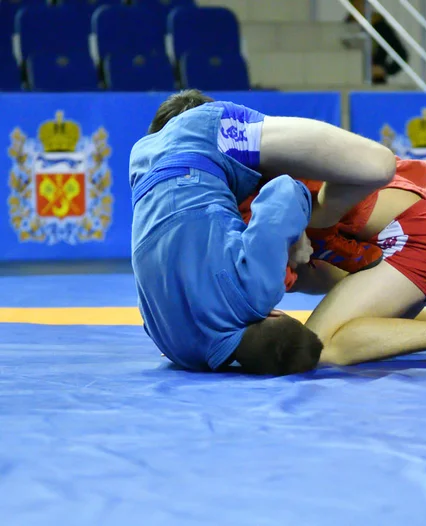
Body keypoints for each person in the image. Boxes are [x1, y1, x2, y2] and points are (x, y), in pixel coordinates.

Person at [129, 89, 396, 376]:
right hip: (143, 165)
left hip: (206, 134)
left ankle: (327, 229)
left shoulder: (255, 296)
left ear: (276, 313)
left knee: (379, 165)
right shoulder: (175, 348)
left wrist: (297, 234)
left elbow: (282, 193)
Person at [240, 157, 426, 366]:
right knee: (319, 282)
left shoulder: (241, 188)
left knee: (316, 347)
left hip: (416, 234)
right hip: (422, 213)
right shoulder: (256, 154)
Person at [342, 0, 410, 84]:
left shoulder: (380, 25)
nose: (358, 5)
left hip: (376, 82)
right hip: (351, 81)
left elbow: (401, 54)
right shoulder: (347, 25)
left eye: (361, 2)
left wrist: (384, 69)